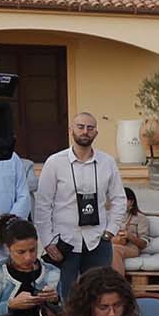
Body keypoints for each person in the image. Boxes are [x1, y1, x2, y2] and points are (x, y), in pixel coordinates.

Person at [36, 112, 128, 302]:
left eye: (90, 128)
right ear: (71, 130)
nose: (85, 131)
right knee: (64, 297)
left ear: (96, 132)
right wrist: (47, 240)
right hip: (63, 241)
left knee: (99, 295)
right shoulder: (55, 162)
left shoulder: (107, 162)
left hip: (98, 240)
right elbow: (43, 204)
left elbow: (119, 199)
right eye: (80, 127)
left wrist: (110, 231)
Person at [110, 187, 153, 275]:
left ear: (131, 202)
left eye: (124, 200)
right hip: (112, 243)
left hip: (131, 247)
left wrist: (130, 236)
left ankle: (117, 283)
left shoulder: (140, 218)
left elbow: (144, 244)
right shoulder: (110, 216)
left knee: (114, 249)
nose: (120, 203)